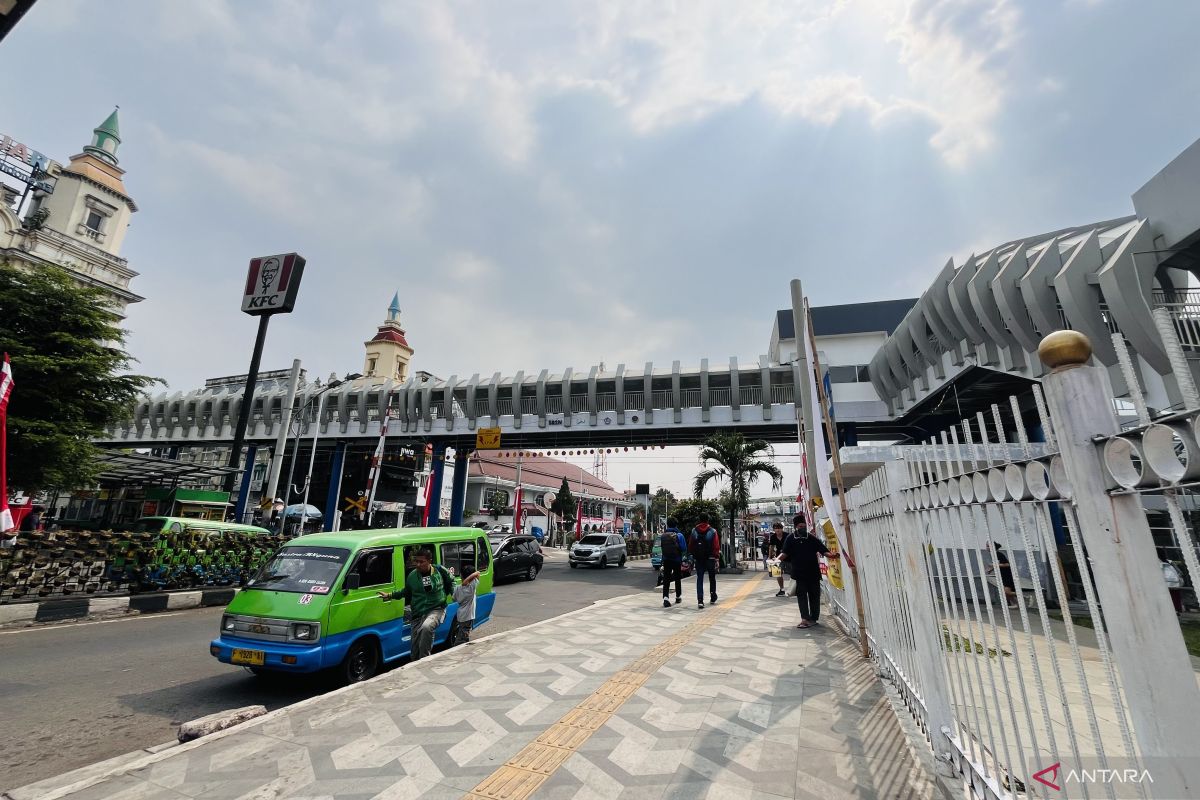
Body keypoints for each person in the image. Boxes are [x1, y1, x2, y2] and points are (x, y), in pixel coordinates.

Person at [378, 548, 454, 661]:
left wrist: (453, 594)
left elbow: (451, 582)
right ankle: (416, 663)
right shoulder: (412, 576)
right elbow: (406, 592)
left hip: (437, 609)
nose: (418, 564)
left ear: (429, 561)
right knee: (414, 652)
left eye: (421, 562)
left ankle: (424, 661)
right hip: (418, 614)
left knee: (427, 627)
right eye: (416, 561)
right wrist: (390, 595)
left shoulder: (440, 571)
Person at [779, 514, 834, 628]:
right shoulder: (790, 538)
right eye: (800, 526)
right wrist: (775, 560)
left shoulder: (811, 538)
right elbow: (784, 553)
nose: (802, 528)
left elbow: (823, 550)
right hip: (798, 574)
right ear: (795, 527)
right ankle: (804, 619)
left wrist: (832, 555)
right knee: (802, 597)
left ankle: (813, 618)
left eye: (804, 526)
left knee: (814, 596)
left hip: (813, 573)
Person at [689, 513, 720, 609]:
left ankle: (700, 600)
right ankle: (712, 595)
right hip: (710, 558)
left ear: (699, 520)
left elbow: (691, 545)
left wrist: (693, 556)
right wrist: (717, 558)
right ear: (708, 520)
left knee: (700, 578)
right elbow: (716, 546)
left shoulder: (694, 531)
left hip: (699, 558)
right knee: (712, 577)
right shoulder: (713, 531)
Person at [659, 517, 687, 608]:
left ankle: (666, 598)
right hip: (676, 559)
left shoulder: (663, 535)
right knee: (677, 578)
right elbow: (683, 548)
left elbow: (662, 548)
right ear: (676, 524)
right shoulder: (679, 535)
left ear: (668, 524)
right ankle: (678, 596)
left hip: (666, 559)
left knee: (666, 578)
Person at [452, 567, 483, 642]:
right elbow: (478, 573)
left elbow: (454, 599)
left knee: (462, 634)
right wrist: (472, 575)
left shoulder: (457, 588)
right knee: (462, 639)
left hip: (460, 615)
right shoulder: (471, 587)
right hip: (467, 616)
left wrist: (463, 583)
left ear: (461, 576)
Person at [986, 542, 1018, 608]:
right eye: (987, 546)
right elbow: (998, 564)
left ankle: (1026, 596)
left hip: (1007, 575)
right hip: (1003, 575)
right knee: (1006, 592)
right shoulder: (994, 555)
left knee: (1007, 592)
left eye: (988, 546)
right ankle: (1015, 604)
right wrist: (991, 570)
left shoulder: (998, 554)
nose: (987, 548)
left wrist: (993, 565)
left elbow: (1007, 564)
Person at [767, 522, 789, 597]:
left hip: (789, 557)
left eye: (779, 528)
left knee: (794, 573)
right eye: (776, 529)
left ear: (782, 529)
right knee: (777, 574)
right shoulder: (773, 537)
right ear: (774, 530)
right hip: (777, 557)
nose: (777, 530)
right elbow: (771, 547)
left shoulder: (787, 535)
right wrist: (770, 557)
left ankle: (796, 589)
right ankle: (782, 589)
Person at [1160, 551, 1184, 615]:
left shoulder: (1158, 563)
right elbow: (1180, 572)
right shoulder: (1170, 562)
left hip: (1166, 583)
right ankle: (1177, 610)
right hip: (1175, 583)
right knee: (1175, 597)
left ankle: (1171, 611)